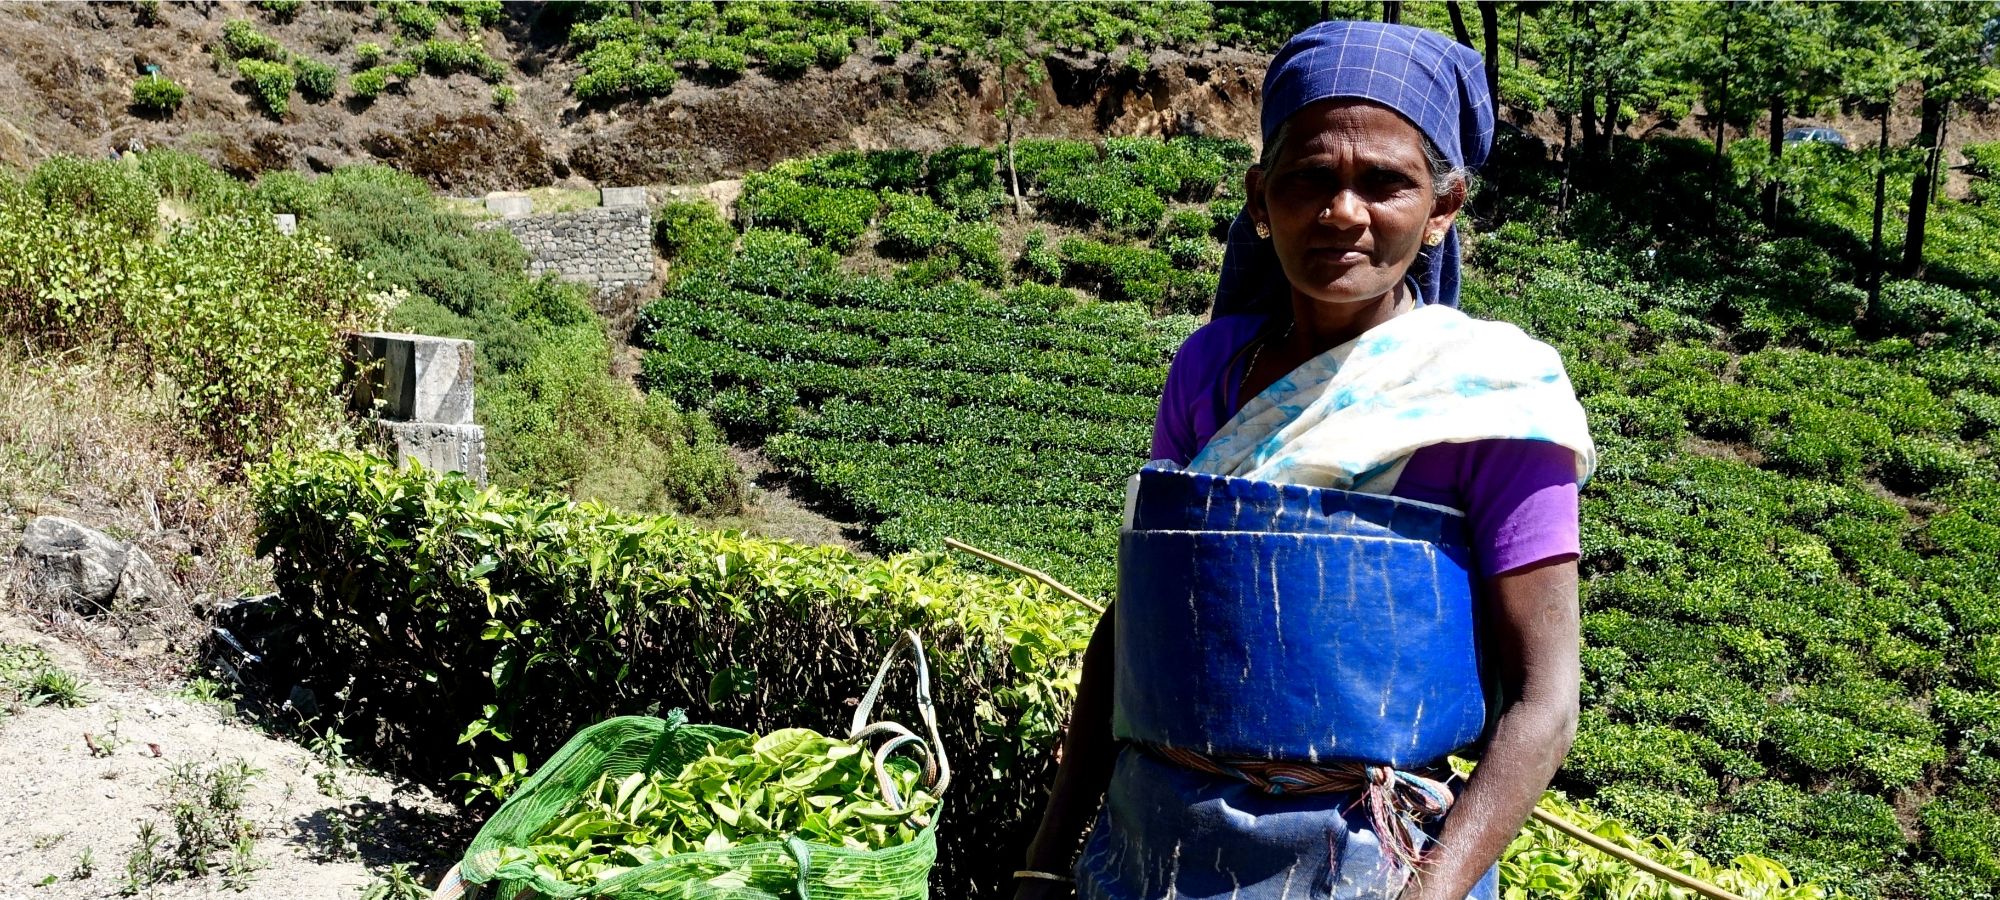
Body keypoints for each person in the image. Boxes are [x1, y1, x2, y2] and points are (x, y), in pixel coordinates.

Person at [1013, 21, 1595, 900]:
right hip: (1151, 854)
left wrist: (1429, 892)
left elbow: (1543, 706)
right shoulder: (1211, 367)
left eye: (1386, 183)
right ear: (1260, 197)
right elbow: (1135, 622)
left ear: (1443, 208)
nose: (1343, 213)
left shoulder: (1493, 396)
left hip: (1369, 871)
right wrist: (1047, 857)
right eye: (1311, 179)